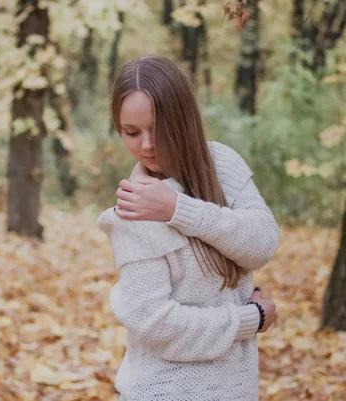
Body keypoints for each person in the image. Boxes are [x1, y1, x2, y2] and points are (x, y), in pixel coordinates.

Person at [96, 55, 281, 401]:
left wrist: (179, 208)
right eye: (131, 132)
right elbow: (156, 325)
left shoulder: (222, 164)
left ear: (182, 118)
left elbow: (262, 244)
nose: (146, 145)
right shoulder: (133, 210)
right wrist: (248, 320)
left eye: (157, 128)